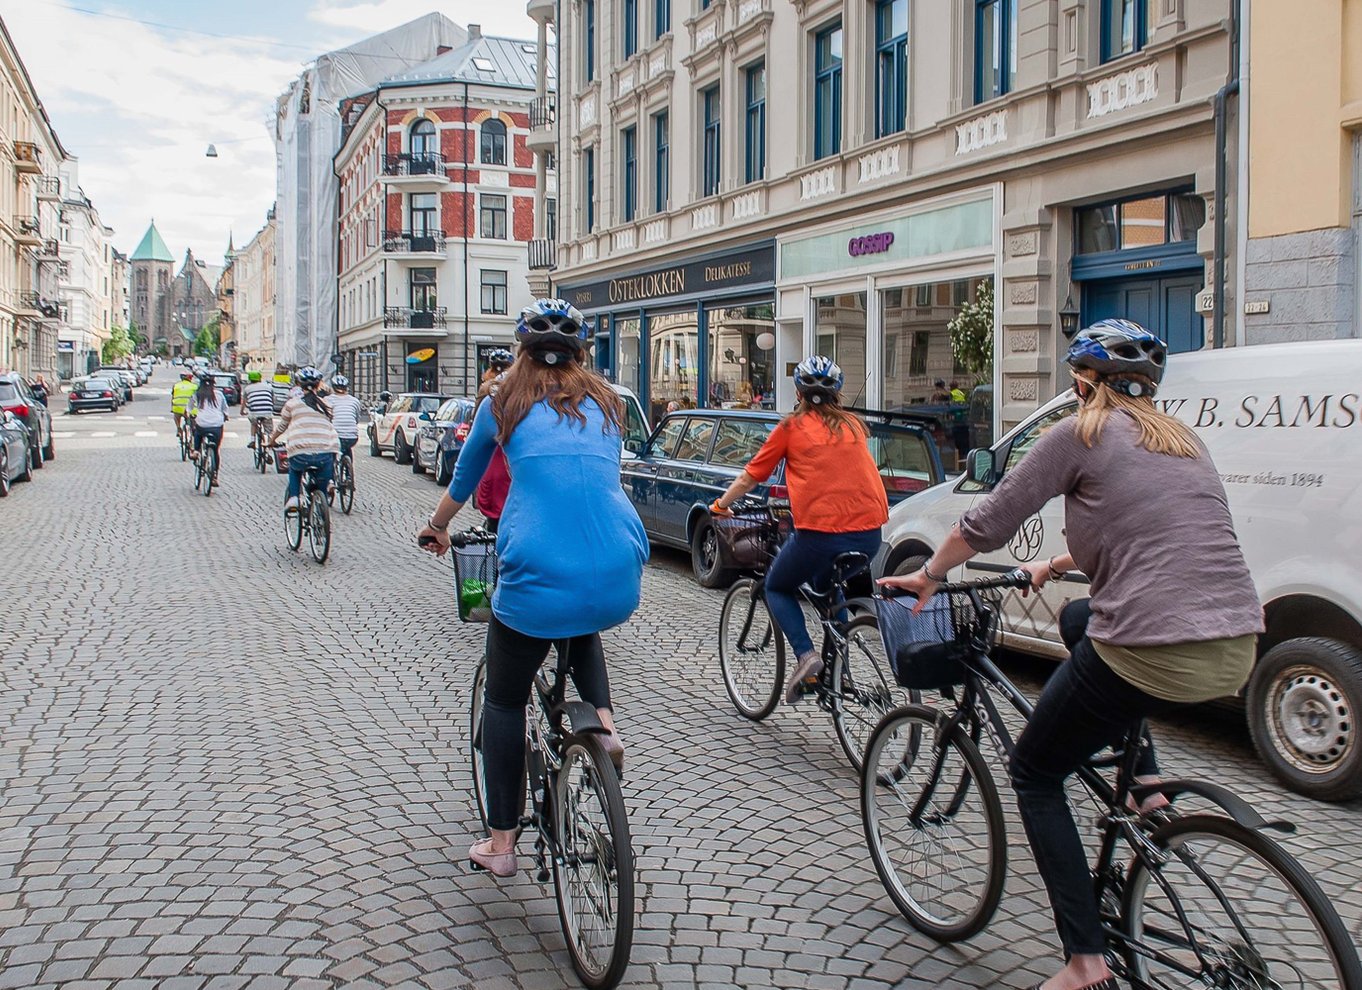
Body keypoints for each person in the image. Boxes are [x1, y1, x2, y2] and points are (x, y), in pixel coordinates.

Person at [879, 319, 1263, 990]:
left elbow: (990, 518)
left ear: (1086, 382)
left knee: (1033, 770)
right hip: (1235, 645)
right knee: (1084, 617)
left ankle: (1085, 962)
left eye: (1075, 379)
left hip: (1152, 647)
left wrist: (929, 574)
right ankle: (1143, 786)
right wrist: (1056, 562)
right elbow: (1142, 530)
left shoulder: (1081, 432)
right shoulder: (1182, 442)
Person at [416, 299, 647, 879]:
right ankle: (603, 722)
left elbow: (465, 479)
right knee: (580, 615)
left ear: (521, 353)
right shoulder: (606, 403)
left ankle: (500, 843)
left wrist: (438, 526)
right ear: (580, 356)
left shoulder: (503, 404)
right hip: (618, 565)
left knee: (503, 699)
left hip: (542, 568)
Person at [710, 355, 889, 703]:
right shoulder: (853, 425)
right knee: (827, 586)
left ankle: (807, 656)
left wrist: (721, 505)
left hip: (820, 535)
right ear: (838, 393)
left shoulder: (791, 427)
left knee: (777, 586)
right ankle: (836, 672)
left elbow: (752, 475)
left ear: (798, 391)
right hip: (869, 537)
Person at [269, 366, 339, 511]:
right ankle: (322, 505)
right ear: (319, 384)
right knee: (322, 486)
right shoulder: (327, 405)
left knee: (294, 469)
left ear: (299, 385)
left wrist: (271, 440)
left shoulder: (292, 404)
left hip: (300, 452)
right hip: (325, 452)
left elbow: (282, 426)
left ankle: (294, 497)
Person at [472, 349, 514, 532]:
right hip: (510, 450)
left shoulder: (486, 388)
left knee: (494, 508)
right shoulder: (519, 386)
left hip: (494, 451)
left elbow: (476, 426)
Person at [188, 372, 228, 465]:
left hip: (202, 423)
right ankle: (214, 476)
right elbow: (225, 408)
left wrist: (191, 414)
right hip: (217, 424)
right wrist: (225, 416)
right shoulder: (219, 394)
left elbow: (189, 406)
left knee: (197, 432)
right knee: (216, 450)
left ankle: (196, 450)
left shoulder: (197, 394)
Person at [328, 376, 362, 460]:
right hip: (352, 436)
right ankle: (348, 470)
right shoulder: (355, 401)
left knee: (331, 455)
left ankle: (332, 469)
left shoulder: (328, 399)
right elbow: (357, 418)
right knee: (347, 449)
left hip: (335, 436)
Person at [241, 371, 275, 447]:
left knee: (254, 424)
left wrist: (242, 412)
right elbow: (272, 399)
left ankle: (252, 440)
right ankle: (270, 442)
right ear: (260, 378)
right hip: (267, 411)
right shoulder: (268, 386)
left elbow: (244, 402)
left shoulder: (247, 389)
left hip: (254, 412)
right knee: (269, 429)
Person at [170, 369, 196, 435]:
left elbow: (173, 397)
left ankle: (178, 429)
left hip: (178, 408)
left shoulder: (176, 386)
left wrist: (172, 408)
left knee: (176, 416)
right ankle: (193, 429)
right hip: (190, 409)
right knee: (193, 418)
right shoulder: (194, 386)